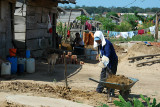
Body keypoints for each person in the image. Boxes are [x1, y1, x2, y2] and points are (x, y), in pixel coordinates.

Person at [94, 31, 118, 95]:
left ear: (101, 38)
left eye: (98, 40)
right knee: (103, 74)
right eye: (96, 41)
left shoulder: (107, 44)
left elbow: (108, 54)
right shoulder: (100, 44)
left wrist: (102, 58)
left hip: (112, 61)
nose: (97, 42)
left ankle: (110, 91)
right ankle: (99, 89)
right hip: (105, 61)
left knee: (110, 76)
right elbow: (101, 52)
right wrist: (99, 56)